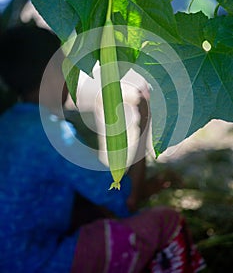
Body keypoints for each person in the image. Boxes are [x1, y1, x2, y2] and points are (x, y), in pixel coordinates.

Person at [0, 24, 205, 272]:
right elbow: (126, 201)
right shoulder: (53, 135)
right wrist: (144, 125)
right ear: (54, 71)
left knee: (96, 213)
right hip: (37, 263)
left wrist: (148, 187)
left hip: (10, 258)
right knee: (165, 220)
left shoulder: (9, 123)